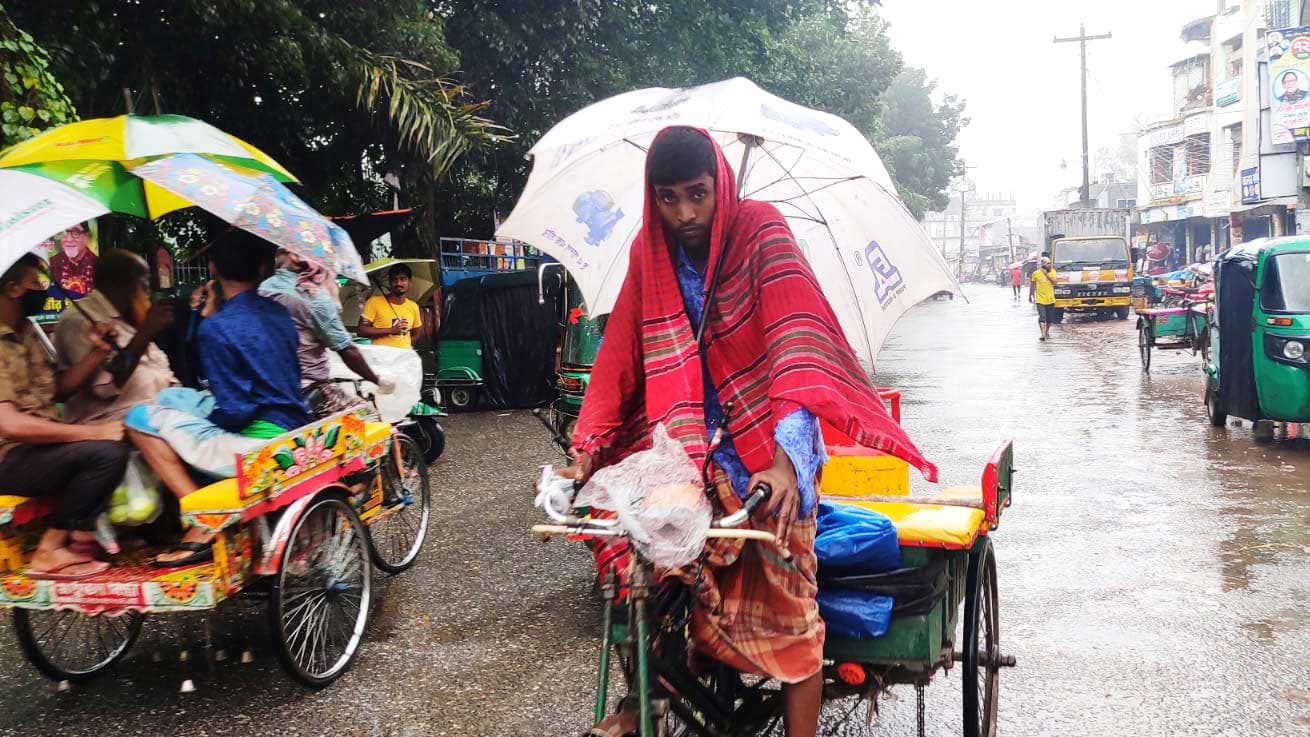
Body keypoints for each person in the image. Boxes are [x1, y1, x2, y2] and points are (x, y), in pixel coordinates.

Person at [561, 126, 935, 737]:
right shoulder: (647, 251)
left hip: (769, 440)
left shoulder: (761, 229)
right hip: (686, 447)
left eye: (698, 194)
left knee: (789, 612)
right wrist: (588, 450)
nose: (684, 212)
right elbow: (621, 357)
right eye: (668, 197)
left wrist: (787, 462)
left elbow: (795, 346)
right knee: (643, 573)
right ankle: (645, 701)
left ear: (720, 187)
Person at [127, 230, 309, 566]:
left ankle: (202, 518)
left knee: (137, 419)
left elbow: (237, 411)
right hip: (294, 424)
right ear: (262, 270)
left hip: (253, 443)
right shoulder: (279, 314)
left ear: (212, 269)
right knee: (173, 399)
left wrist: (209, 320)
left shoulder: (218, 328)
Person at [0, 254, 126, 580]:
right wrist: (93, 434)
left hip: (35, 451)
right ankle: (50, 549)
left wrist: (97, 350)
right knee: (105, 453)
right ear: (13, 288)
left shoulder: (27, 330)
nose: (43, 290)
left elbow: (57, 390)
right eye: (36, 284)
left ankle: (85, 539)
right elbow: (10, 424)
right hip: (8, 457)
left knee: (120, 436)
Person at [54, 250, 177, 423]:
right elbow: (105, 388)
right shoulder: (80, 320)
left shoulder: (126, 317)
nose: (148, 289)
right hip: (114, 423)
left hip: (160, 410)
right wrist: (145, 332)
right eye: (142, 281)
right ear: (118, 284)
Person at [259, 249, 384, 417]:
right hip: (309, 389)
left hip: (267, 386)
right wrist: (377, 380)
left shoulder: (262, 290)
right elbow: (347, 351)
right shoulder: (313, 297)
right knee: (370, 418)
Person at [358, 263, 422, 349]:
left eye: (402, 279)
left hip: (403, 358)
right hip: (381, 358)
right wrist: (391, 330)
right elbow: (361, 330)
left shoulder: (413, 306)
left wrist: (406, 346)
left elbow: (416, 333)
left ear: (409, 282)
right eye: (394, 280)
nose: (398, 283)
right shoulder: (374, 302)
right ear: (390, 282)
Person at [48, 223, 98, 298]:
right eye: (63, 233)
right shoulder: (51, 265)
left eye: (75, 233)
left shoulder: (98, 265)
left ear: (87, 237)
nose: (69, 239)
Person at [1029, 256, 1059, 341]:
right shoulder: (1036, 273)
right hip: (1040, 299)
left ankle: (1046, 332)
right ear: (1043, 265)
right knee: (1042, 317)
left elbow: (1055, 283)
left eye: (1050, 263)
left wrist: (1046, 275)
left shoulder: (1053, 272)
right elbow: (1032, 285)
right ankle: (1043, 334)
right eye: (1047, 264)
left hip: (1050, 299)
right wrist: (1030, 295)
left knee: (1049, 318)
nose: (1049, 265)